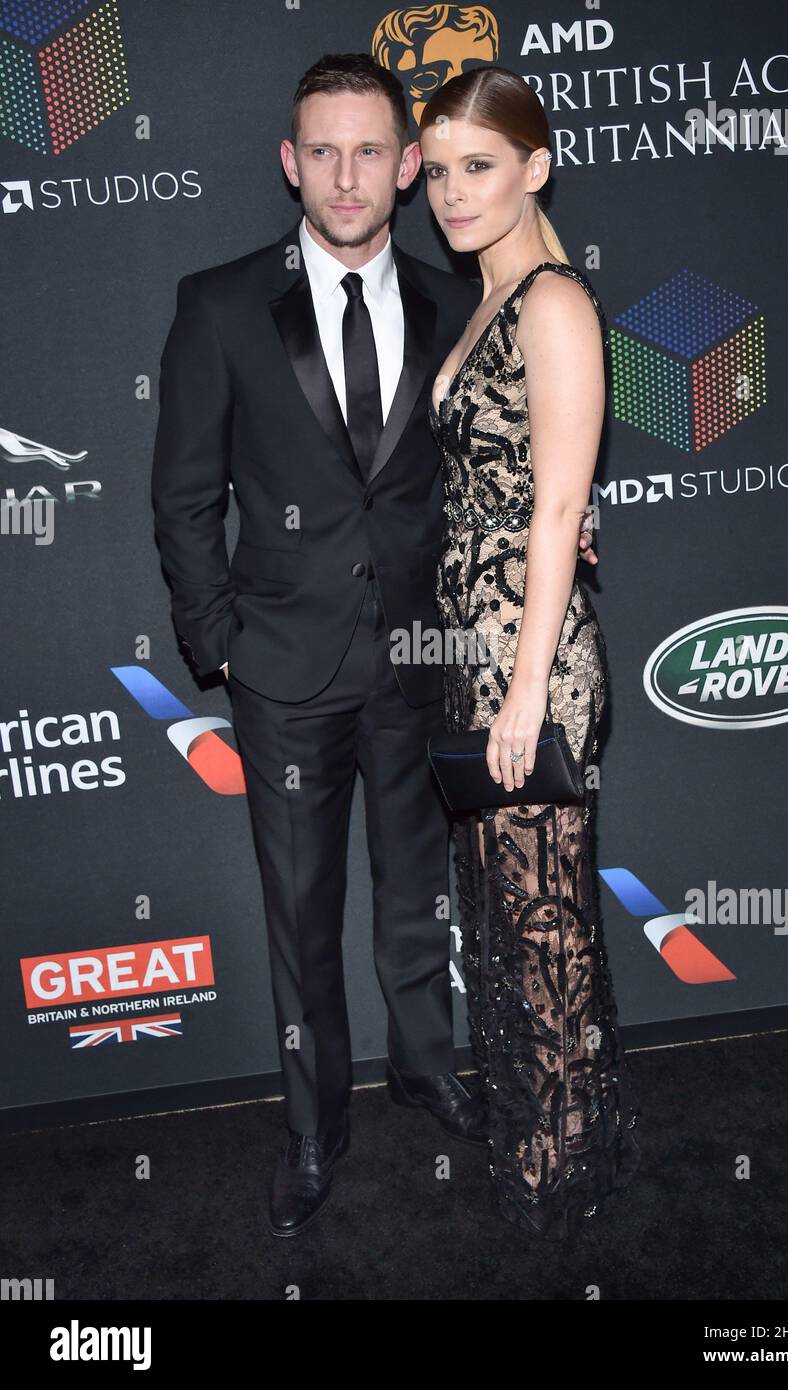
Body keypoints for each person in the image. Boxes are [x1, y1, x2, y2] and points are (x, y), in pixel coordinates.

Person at [150, 53, 598, 1239]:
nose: (347, 177)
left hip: (428, 663)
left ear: (408, 168)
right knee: (299, 918)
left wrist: (567, 511)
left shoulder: (466, 305)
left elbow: (516, 459)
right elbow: (184, 496)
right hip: (283, 673)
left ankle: (425, 1064)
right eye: (323, 152)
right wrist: (222, 646)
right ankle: (313, 1126)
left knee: (419, 897)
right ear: (291, 164)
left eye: (372, 152)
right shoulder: (220, 302)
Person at [421, 65, 642, 1241]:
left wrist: (519, 697)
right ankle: (540, 1127)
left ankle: (559, 1168)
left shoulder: (551, 302)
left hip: (534, 666)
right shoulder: (489, 297)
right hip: (481, 649)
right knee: (510, 915)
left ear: (535, 167)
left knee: (544, 914)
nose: (453, 194)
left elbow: (557, 511)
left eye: (481, 167)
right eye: (442, 170)